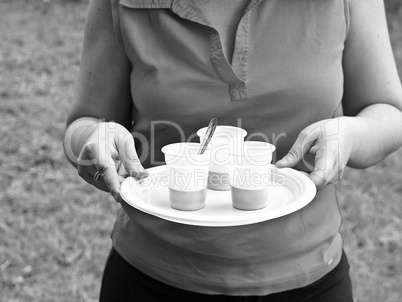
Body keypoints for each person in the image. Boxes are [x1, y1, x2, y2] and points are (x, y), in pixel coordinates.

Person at [63, 0, 402, 301]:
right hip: (152, 278)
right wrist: (92, 140)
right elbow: (84, 123)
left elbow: (389, 112)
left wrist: (351, 134)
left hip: (309, 279)